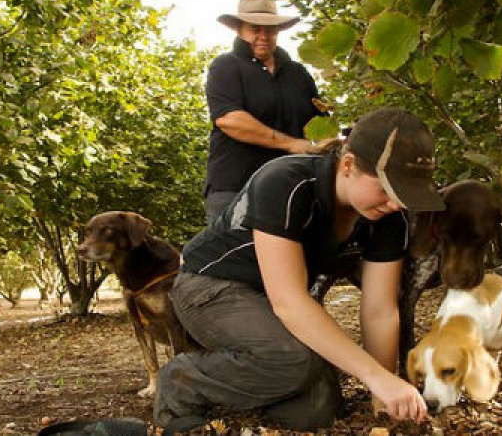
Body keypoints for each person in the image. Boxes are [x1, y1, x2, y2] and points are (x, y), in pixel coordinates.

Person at [154, 108, 446, 432]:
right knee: (294, 360)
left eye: (403, 196)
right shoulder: (286, 181)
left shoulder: (388, 219)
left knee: (316, 412)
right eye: (386, 189)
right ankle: (183, 382)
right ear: (347, 165)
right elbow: (289, 302)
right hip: (210, 287)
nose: (395, 204)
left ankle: (256, 374)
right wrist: (375, 376)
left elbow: (379, 311)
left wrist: (383, 390)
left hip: (272, 305)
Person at [204, 0, 325, 224]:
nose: (263, 36)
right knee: (236, 258)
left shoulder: (297, 73)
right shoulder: (225, 66)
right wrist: (291, 144)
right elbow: (230, 120)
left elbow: (320, 125)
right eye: (255, 29)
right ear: (239, 29)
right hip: (235, 189)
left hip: (293, 187)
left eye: (270, 29)